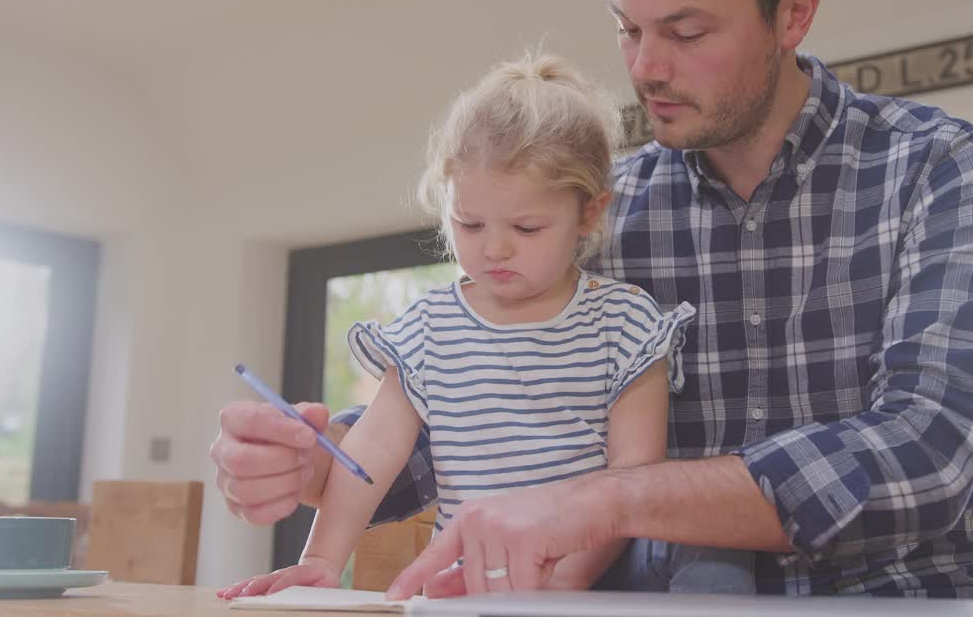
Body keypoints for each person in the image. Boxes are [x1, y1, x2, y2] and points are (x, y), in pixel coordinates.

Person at [212, 0, 973, 600]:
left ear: (794, 12)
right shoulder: (592, 213)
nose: (645, 67)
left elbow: (926, 453)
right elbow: (500, 417)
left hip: (912, 599)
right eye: (628, 29)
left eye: (685, 30)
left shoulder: (943, 168)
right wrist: (316, 466)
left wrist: (610, 501)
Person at [215, 52, 724, 599]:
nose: (495, 248)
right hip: (464, 592)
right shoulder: (429, 328)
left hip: (588, 593)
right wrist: (320, 559)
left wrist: (565, 581)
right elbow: (372, 450)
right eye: (470, 222)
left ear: (589, 213)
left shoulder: (625, 324)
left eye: (527, 227)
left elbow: (635, 479)